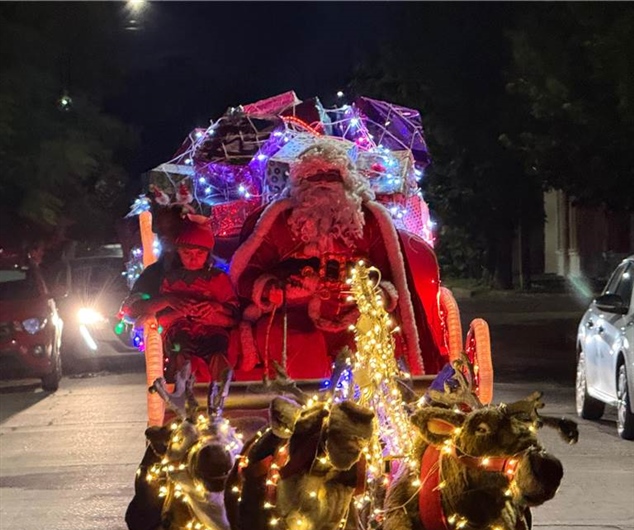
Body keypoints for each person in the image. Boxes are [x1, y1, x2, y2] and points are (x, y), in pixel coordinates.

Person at [230, 140, 447, 380]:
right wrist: (274, 289)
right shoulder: (279, 221)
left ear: (347, 181)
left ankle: (366, 401)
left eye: (331, 177)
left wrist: (376, 295)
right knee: (301, 345)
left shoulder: (369, 221)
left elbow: (393, 281)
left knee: (372, 340)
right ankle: (301, 402)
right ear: (300, 184)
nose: (323, 183)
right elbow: (245, 276)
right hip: (293, 317)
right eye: (315, 178)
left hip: (355, 313)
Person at [122, 221, 239, 382]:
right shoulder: (168, 278)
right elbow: (141, 310)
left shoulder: (218, 277)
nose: (193, 259)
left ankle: (223, 387)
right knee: (179, 352)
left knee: (217, 351)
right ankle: (178, 387)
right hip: (179, 330)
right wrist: (175, 308)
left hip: (212, 329)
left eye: (199, 253)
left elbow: (233, 310)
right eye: (187, 253)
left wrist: (216, 308)